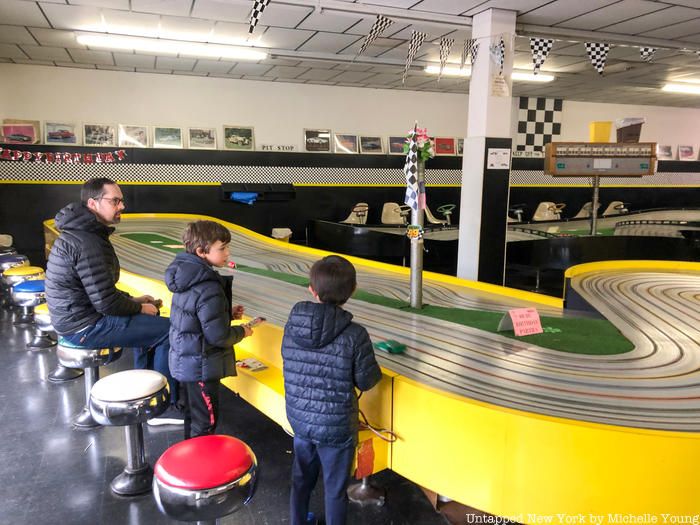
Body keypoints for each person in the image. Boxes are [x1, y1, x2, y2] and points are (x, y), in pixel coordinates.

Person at [45, 177, 182, 424]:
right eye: (115, 201)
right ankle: (164, 406)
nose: (122, 206)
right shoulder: (87, 242)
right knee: (172, 330)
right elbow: (106, 303)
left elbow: (98, 289)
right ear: (93, 203)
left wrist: (136, 300)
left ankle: (148, 381)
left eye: (121, 200)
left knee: (150, 316)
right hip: (84, 326)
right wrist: (139, 306)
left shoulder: (83, 234)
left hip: (76, 317)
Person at [282, 255, 382, 525]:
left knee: (301, 479)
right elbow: (367, 381)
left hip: (301, 420)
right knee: (335, 490)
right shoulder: (355, 334)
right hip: (336, 427)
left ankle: (298, 521)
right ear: (353, 291)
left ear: (311, 290)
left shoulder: (292, 326)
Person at [165, 220, 253, 439]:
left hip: (186, 362)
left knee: (192, 415)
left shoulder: (186, 276)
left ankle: (188, 458)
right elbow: (218, 336)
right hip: (201, 366)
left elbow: (193, 315)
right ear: (201, 251)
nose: (228, 253)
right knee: (206, 422)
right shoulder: (208, 286)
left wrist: (225, 313)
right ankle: (199, 467)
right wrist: (243, 331)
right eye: (222, 248)